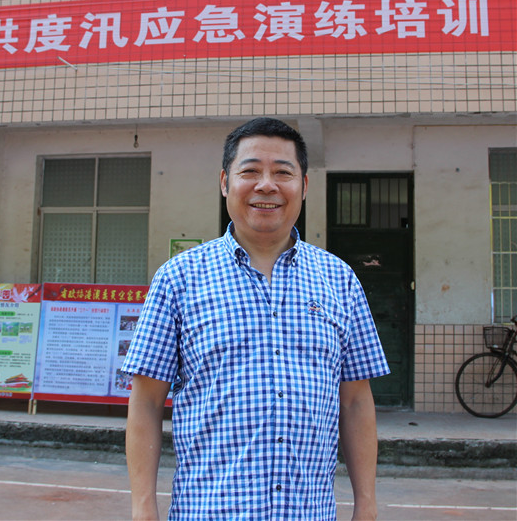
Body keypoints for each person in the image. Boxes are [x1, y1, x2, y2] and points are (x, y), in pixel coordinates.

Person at [122, 117, 390, 520]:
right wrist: (144, 508)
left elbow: (355, 402)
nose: (267, 185)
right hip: (208, 512)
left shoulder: (340, 280)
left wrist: (366, 504)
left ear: (304, 186)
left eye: (283, 173)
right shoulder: (179, 278)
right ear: (225, 182)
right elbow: (146, 402)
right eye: (250, 171)